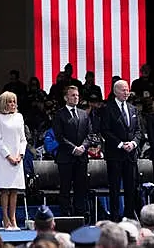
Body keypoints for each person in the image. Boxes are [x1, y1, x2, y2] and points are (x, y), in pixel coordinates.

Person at [100, 79, 141, 221]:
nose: (126, 92)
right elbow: (105, 130)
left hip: (131, 155)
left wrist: (133, 144)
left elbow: (138, 131)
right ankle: (115, 218)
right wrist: (120, 144)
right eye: (123, 90)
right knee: (115, 189)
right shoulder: (107, 109)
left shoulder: (133, 109)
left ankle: (130, 217)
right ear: (115, 91)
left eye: (127, 89)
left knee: (131, 188)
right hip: (115, 155)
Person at [52, 85, 92, 219]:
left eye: (77, 95)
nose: (76, 97)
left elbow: (89, 134)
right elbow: (59, 136)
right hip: (66, 157)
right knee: (65, 187)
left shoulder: (83, 114)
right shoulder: (59, 114)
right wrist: (73, 148)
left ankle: (80, 215)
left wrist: (83, 147)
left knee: (81, 187)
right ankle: (65, 215)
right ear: (66, 97)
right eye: (73, 95)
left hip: (81, 157)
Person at [0, 91, 27, 230]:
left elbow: (23, 139)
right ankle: (5, 219)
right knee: (5, 189)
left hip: (18, 158)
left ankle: (13, 219)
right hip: (3, 158)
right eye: (9, 101)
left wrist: (21, 155)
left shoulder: (19, 117)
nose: (13, 104)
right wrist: (8, 156)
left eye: (14, 101)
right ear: (3, 103)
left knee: (15, 190)